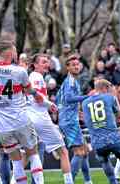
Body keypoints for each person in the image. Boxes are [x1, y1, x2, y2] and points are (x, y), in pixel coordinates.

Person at [0, 41, 45, 184]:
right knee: (33, 154)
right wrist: (38, 95)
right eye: (14, 51)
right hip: (20, 120)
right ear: (9, 53)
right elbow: (28, 90)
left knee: (16, 161)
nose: (16, 54)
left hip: (2, 126)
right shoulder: (20, 71)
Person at [27, 53, 73, 184]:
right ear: (35, 65)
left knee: (28, 154)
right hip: (39, 118)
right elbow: (36, 95)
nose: (46, 64)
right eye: (43, 62)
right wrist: (50, 104)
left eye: (47, 61)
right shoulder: (36, 77)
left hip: (30, 118)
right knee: (63, 151)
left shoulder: (35, 76)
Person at [82, 79, 120, 184]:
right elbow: (119, 114)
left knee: (104, 160)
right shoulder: (109, 97)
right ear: (105, 88)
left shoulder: (85, 102)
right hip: (113, 138)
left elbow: (87, 120)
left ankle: (113, 182)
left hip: (97, 142)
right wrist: (114, 96)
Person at [56, 54, 92, 184]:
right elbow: (69, 98)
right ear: (68, 67)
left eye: (77, 64)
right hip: (69, 121)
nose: (76, 66)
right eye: (73, 65)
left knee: (85, 151)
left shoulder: (72, 81)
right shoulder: (70, 81)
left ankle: (88, 181)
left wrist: (78, 110)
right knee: (79, 152)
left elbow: (61, 100)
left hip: (70, 119)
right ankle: (70, 181)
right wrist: (86, 97)